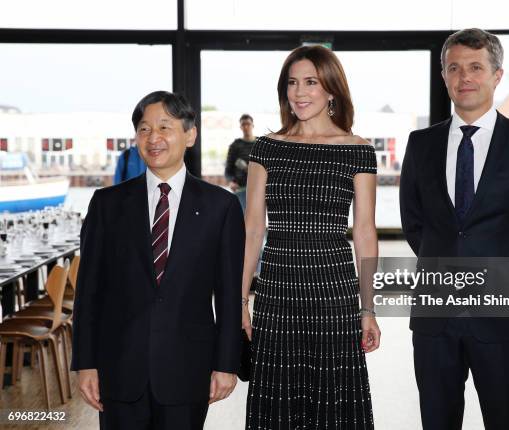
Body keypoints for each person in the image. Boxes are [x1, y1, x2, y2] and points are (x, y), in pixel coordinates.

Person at [399, 29, 509, 430]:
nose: (464, 77)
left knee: (506, 418)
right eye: (454, 68)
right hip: (435, 314)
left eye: (476, 67)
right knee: (437, 421)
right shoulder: (420, 143)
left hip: (504, 313)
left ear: (497, 75)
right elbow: (414, 222)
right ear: (443, 76)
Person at [71, 91, 245, 430]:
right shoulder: (107, 205)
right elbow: (88, 291)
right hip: (118, 369)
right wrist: (85, 363)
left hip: (188, 369)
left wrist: (227, 364)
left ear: (190, 134)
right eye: (144, 129)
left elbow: (228, 295)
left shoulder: (220, 207)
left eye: (164, 127)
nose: (154, 138)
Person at [242, 45, 381, 429]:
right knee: (276, 400)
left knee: (336, 400)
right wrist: (241, 300)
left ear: (332, 90)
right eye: (291, 83)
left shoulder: (358, 151)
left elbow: (365, 232)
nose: (299, 92)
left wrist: (367, 309)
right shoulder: (266, 148)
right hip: (277, 289)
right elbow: (253, 230)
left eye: (310, 82)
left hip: (334, 290)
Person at [225, 114, 256, 211]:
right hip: (241, 189)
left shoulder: (260, 144)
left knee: (257, 221)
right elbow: (228, 169)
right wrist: (231, 182)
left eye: (248, 124)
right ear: (240, 127)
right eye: (243, 124)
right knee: (242, 220)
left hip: (258, 188)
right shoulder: (235, 145)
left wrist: (249, 169)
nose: (246, 127)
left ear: (253, 125)